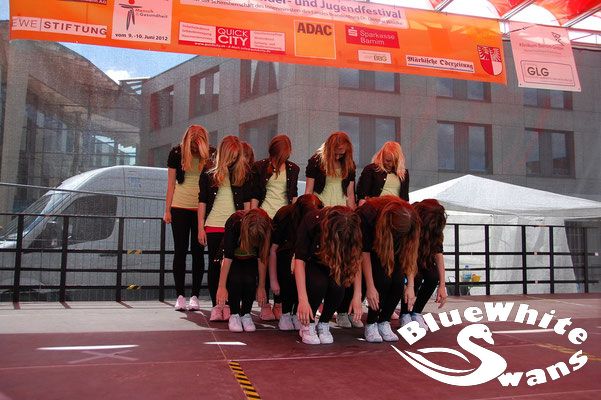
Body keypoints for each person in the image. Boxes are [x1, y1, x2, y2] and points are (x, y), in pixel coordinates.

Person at [198, 135, 250, 321]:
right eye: (231, 156)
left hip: (235, 226)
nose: (233, 160)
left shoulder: (243, 174)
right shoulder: (208, 173)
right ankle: (216, 305)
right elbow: (202, 202)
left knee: (232, 268)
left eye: (236, 156)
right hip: (214, 224)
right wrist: (200, 227)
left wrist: (245, 228)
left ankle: (228, 305)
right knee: (214, 267)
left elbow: (246, 203)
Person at [294, 206, 363, 344]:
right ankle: (308, 324)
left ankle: (324, 322)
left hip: (336, 262)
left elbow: (355, 260)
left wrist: (357, 295)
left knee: (338, 287)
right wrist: (303, 300)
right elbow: (299, 260)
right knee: (318, 284)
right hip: (313, 262)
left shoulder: (353, 228)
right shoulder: (312, 221)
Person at [250, 134, 300, 321]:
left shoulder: (293, 168)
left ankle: (279, 303)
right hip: (264, 217)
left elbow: (293, 195)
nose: (284, 158)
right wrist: (253, 217)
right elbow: (255, 194)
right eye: (282, 154)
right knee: (262, 256)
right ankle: (264, 302)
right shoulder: (260, 167)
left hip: (285, 218)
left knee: (282, 260)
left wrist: (295, 219)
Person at [359, 196, 420, 342]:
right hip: (374, 247)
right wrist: (370, 287)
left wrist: (410, 285)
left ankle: (384, 321)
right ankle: (371, 323)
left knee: (398, 283)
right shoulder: (369, 214)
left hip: (394, 246)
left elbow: (410, 253)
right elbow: (364, 252)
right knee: (382, 281)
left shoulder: (412, 220)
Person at [164, 125, 210, 311]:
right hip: (179, 207)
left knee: (198, 252)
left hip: (201, 208)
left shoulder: (210, 154)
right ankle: (180, 296)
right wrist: (167, 210)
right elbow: (170, 184)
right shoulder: (176, 153)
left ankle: (195, 296)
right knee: (180, 251)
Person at [269, 194, 323, 331]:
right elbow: (273, 249)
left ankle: (295, 313)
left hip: (304, 257)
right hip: (285, 256)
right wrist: (273, 279)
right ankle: (286, 313)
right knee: (288, 272)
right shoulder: (285, 215)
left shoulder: (318, 219)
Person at [216, 209, 272, 332]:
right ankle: (234, 314)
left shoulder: (267, 226)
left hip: (251, 258)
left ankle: (246, 314)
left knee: (250, 280)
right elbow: (228, 257)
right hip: (234, 258)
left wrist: (261, 286)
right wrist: (221, 286)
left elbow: (262, 258)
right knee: (235, 279)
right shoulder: (234, 222)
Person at [400, 199, 448, 330]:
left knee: (433, 276)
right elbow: (409, 256)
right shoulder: (411, 224)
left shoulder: (435, 228)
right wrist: (410, 286)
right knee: (415, 278)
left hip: (422, 258)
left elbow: (438, 255)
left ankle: (416, 312)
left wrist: (442, 285)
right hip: (406, 258)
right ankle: (405, 314)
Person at [305, 131, 356, 208]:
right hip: (321, 206)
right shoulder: (316, 161)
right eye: (335, 154)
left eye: (341, 154)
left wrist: (352, 211)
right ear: (328, 150)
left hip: (341, 206)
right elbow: (309, 191)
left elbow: (350, 193)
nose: (337, 157)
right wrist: (308, 209)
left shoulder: (349, 164)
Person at [356, 141, 409, 206]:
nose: (391, 164)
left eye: (394, 161)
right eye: (388, 161)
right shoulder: (371, 170)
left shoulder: (404, 173)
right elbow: (363, 196)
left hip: (396, 209)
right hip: (376, 208)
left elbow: (405, 199)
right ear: (382, 156)